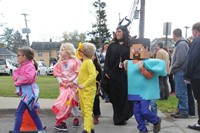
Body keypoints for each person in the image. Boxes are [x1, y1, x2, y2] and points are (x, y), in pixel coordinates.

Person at [126, 39, 166, 133]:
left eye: (139, 49)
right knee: (136, 112)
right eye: (133, 49)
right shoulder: (131, 63)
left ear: (145, 50)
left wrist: (142, 68)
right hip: (135, 91)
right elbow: (131, 76)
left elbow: (149, 76)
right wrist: (126, 67)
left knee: (144, 111)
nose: (135, 52)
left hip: (145, 92)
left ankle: (156, 121)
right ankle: (143, 130)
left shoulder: (149, 62)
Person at [102, 17, 133, 125]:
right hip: (113, 76)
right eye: (116, 32)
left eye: (119, 31)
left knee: (124, 97)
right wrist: (106, 72)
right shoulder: (112, 46)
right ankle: (117, 117)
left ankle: (123, 116)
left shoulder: (129, 46)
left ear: (124, 33)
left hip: (124, 76)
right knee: (115, 97)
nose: (117, 33)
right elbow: (107, 61)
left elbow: (133, 59)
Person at [12, 47, 46, 133]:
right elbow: (15, 73)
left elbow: (29, 78)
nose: (17, 57)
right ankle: (41, 129)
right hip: (26, 93)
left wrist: (18, 82)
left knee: (19, 112)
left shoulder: (30, 66)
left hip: (29, 93)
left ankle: (16, 131)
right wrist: (18, 78)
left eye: (18, 55)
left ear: (25, 57)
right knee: (32, 112)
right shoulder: (22, 66)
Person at [52, 42, 81, 131]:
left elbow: (79, 74)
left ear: (68, 51)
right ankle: (62, 121)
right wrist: (62, 83)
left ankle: (76, 118)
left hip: (73, 86)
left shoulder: (75, 61)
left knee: (73, 102)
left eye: (63, 50)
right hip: (64, 87)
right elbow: (57, 75)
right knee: (64, 103)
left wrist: (74, 82)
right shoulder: (59, 63)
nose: (60, 52)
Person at [77, 42, 97, 133]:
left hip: (88, 90)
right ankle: (91, 128)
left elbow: (92, 76)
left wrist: (84, 85)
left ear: (83, 52)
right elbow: (82, 76)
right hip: (83, 90)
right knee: (84, 111)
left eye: (80, 49)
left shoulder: (89, 62)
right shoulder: (84, 62)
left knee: (88, 110)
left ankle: (87, 130)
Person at [184, 22, 200, 131]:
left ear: (195, 30)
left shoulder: (197, 41)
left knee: (199, 99)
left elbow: (192, 59)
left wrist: (187, 75)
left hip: (197, 75)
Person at [170, 28, 189, 118]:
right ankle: (180, 109)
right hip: (179, 70)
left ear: (174, 35)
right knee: (179, 91)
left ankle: (183, 111)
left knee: (181, 92)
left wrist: (172, 68)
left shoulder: (181, 44)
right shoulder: (181, 44)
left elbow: (180, 60)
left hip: (180, 70)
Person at [92, 53, 102, 125]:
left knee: (95, 101)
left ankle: (96, 116)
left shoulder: (97, 66)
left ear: (95, 57)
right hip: (86, 85)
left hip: (95, 85)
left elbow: (100, 78)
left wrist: (98, 88)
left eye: (93, 55)